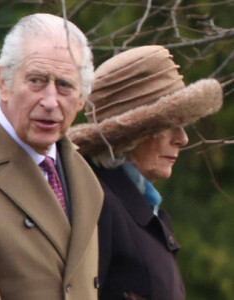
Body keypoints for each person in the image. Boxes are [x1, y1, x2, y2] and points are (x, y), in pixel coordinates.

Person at [0, 13, 104, 300]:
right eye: (36, 80)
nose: (50, 102)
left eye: (64, 85)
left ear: (81, 98)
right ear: (3, 82)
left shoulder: (79, 172)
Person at [68, 45, 223, 300]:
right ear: (131, 136)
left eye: (183, 125)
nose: (182, 139)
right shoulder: (98, 205)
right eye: (169, 124)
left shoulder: (138, 207)